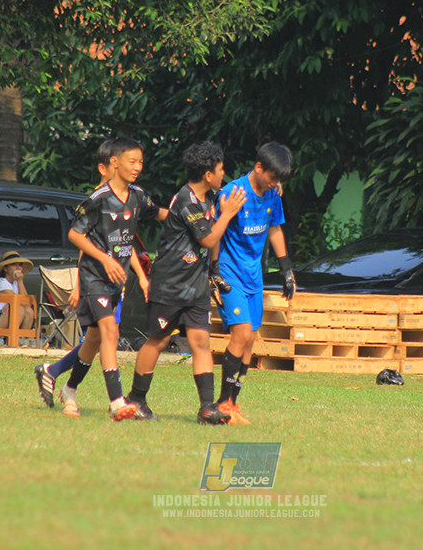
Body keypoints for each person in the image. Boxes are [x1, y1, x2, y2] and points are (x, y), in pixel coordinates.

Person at [34, 139, 165, 417]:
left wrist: (192, 217)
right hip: (94, 277)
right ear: (114, 163)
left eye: (141, 162)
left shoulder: (138, 196)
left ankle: (62, 382)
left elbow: (129, 239)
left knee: (93, 340)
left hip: (117, 282)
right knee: (110, 332)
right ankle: (117, 402)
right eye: (133, 161)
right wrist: (98, 267)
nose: (138, 167)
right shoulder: (98, 199)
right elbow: (75, 235)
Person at [125, 142, 246, 423]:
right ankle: (136, 399)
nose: (223, 173)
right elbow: (208, 239)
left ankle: (206, 408)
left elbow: (244, 192)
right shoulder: (187, 200)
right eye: (220, 169)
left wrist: (275, 188)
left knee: (201, 341)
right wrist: (226, 214)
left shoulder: (211, 195)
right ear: (207, 175)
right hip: (169, 284)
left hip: (196, 285)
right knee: (159, 339)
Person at [212, 142, 296, 425]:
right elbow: (215, 232)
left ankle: (233, 405)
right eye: (273, 177)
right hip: (229, 273)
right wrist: (213, 270)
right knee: (242, 335)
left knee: (250, 343)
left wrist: (286, 270)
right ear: (258, 168)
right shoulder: (233, 193)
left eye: (279, 180)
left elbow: (275, 229)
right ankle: (222, 403)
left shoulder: (273, 194)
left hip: (254, 277)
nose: (276, 184)